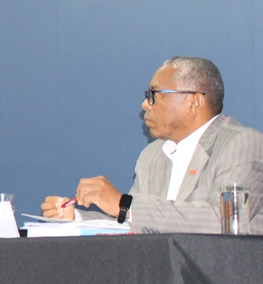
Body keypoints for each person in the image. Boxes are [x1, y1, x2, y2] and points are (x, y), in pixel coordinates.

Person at [40, 57, 263, 233]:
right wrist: (75, 218)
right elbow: (131, 222)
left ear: (194, 102)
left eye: (154, 94)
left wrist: (124, 204)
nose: (145, 104)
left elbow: (223, 220)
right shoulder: (152, 155)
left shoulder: (242, 144)